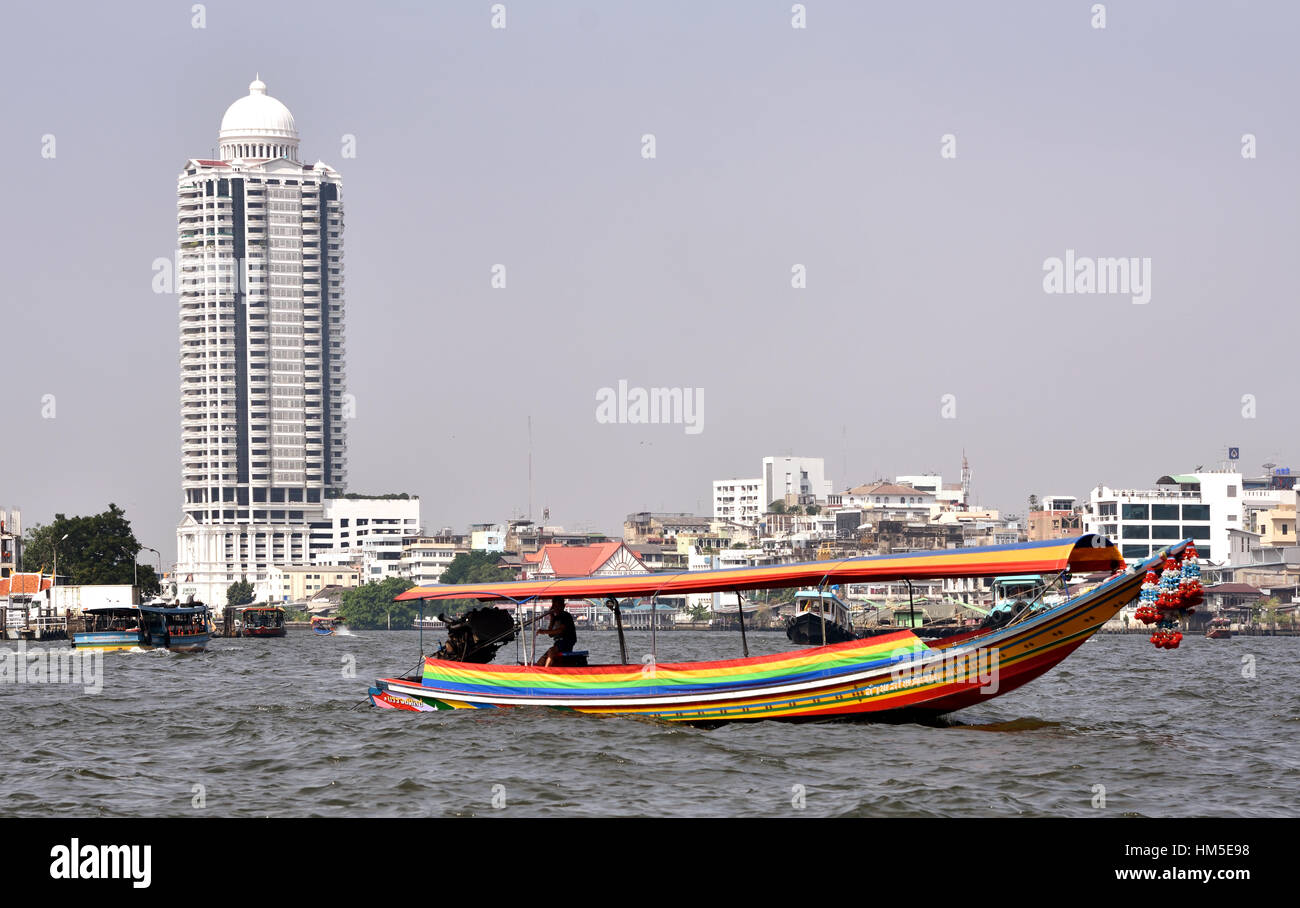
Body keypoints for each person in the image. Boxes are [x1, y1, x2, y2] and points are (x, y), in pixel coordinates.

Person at [537, 598, 577, 667]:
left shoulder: (566, 616)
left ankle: (546, 671)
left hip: (567, 642)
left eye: (558, 606)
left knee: (551, 651)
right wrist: (552, 619)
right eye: (555, 606)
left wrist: (543, 631)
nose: (556, 608)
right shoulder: (555, 618)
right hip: (557, 644)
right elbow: (550, 635)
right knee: (540, 662)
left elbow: (560, 630)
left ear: (563, 606)